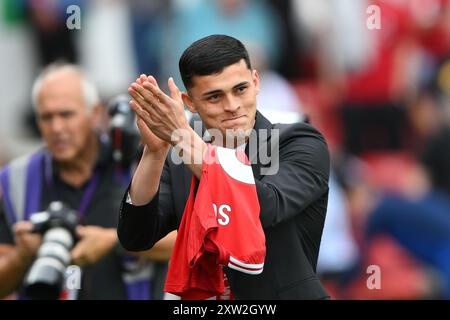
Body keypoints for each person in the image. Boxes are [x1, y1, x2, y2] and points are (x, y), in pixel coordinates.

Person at [118, 34, 330, 299]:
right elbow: (135, 237)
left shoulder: (299, 141)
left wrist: (182, 137)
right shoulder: (179, 155)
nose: (232, 106)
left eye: (240, 89)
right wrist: (154, 152)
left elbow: (265, 207)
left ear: (255, 82)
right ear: (190, 103)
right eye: (214, 97)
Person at [0, 63, 174, 300]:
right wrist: (21, 255)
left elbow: (184, 242)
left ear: (95, 113)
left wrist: (114, 241)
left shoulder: (139, 163)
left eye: (66, 114)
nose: (57, 128)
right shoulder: (14, 180)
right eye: (46, 117)